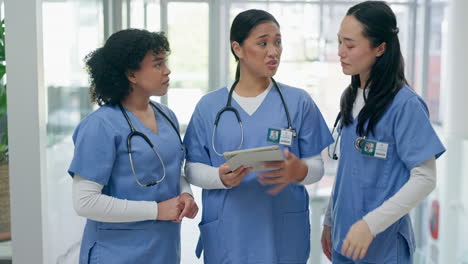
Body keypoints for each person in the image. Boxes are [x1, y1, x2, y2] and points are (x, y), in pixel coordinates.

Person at [183, 9, 333, 264]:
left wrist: (299, 171)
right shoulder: (209, 107)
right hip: (229, 234)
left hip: (283, 233)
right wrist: (218, 177)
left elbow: (317, 167)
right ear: (238, 49)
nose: (273, 51)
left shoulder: (298, 102)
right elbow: (192, 168)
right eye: (263, 43)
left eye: (277, 42)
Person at [321, 1, 446, 263]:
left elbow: (425, 178)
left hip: (382, 247)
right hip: (346, 242)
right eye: (339, 42)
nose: (341, 52)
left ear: (380, 48)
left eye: (350, 45)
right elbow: (347, 169)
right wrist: (330, 220)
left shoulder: (405, 105)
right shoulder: (351, 96)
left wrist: (370, 225)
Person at [68, 28, 198, 264]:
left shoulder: (166, 116)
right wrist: (157, 210)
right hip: (116, 253)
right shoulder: (100, 126)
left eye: (165, 62)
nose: (167, 70)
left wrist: (186, 194)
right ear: (131, 74)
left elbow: (170, 171)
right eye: (158, 64)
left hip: (164, 249)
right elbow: (85, 202)